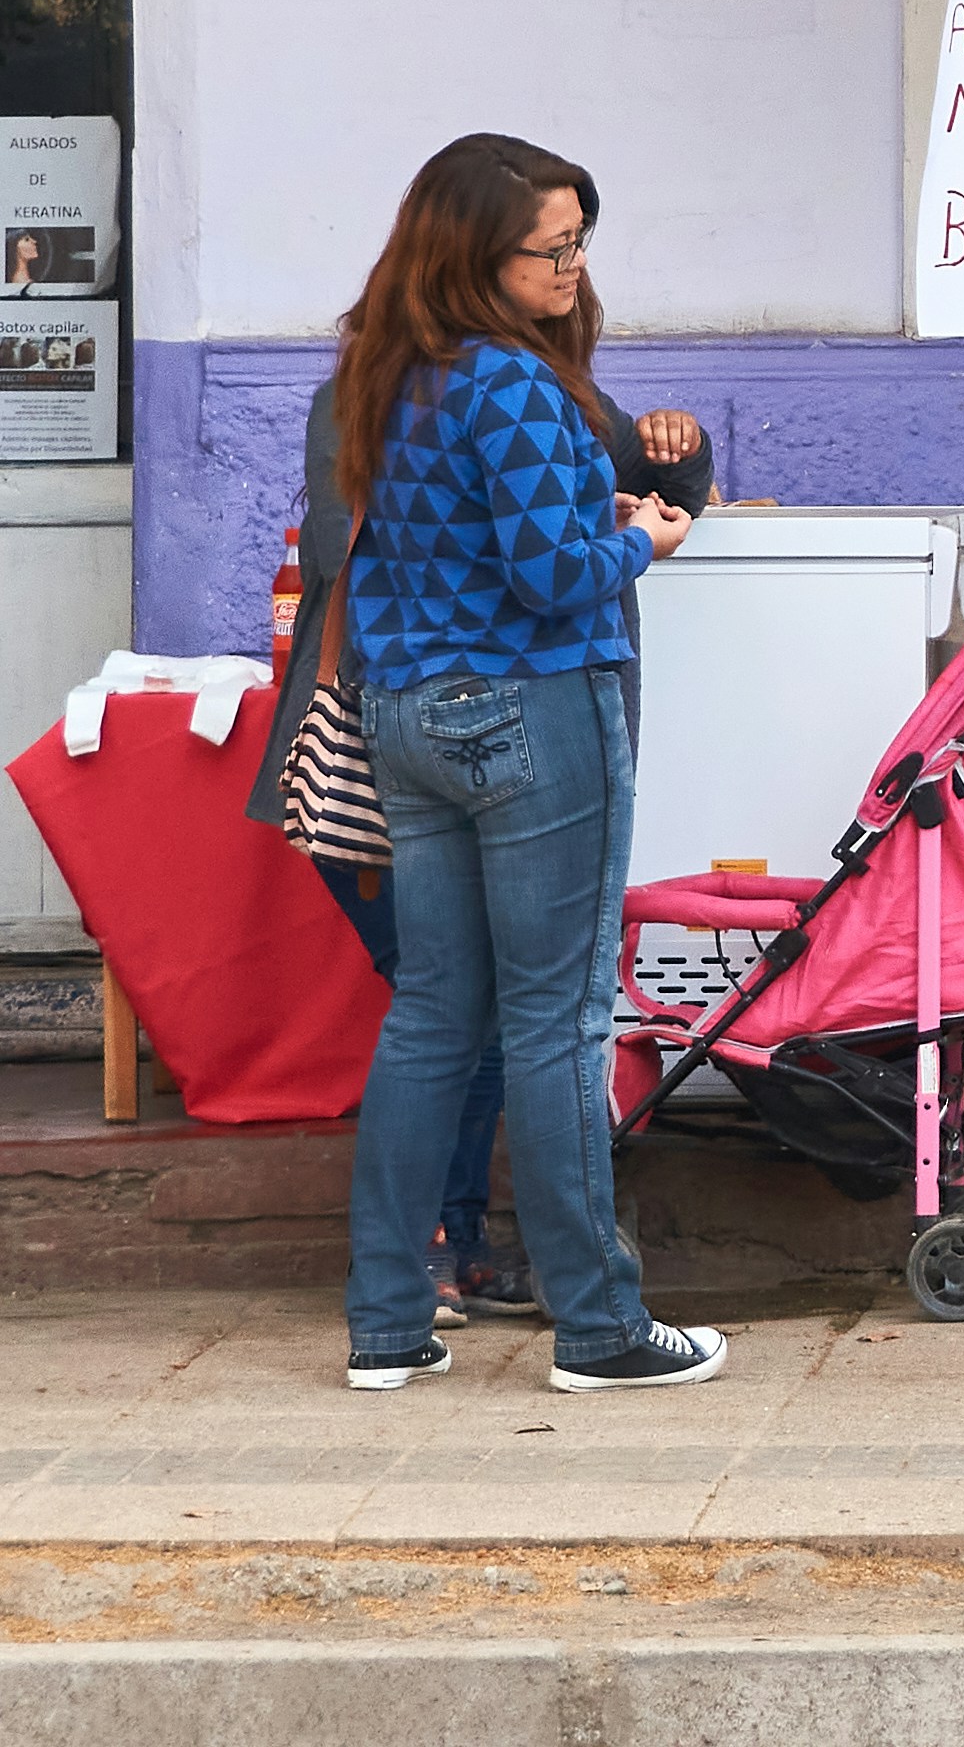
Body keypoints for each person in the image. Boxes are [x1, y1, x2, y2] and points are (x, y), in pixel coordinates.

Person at [249, 161, 711, 1326]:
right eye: (549, 249)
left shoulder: (388, 377)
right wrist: (644, 543)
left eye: (578, 241)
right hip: (528, 708)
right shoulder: (508, 377)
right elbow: (555, 575)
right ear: (474, 258)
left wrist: (615, 503)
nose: (573, 267)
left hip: (413, 711)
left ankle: (388, 1323)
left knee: (436, 1016)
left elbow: (436, 545)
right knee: (556, 1019)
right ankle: (600, 1327)